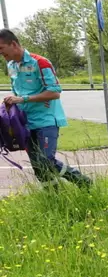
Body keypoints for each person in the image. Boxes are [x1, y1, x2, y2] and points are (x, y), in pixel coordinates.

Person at [0, 29, 92, 188]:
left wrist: (23, 99)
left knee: (46, 160)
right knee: (38, 167)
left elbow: (55, 92)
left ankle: (83, 182)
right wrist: (11, 102)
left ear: (13, 44)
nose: (0, 53)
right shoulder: (11, 65)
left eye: (1, 48)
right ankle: (54, 197)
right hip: (26, 123)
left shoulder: (40, 62)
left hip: (46, 121)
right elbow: (17, 91)